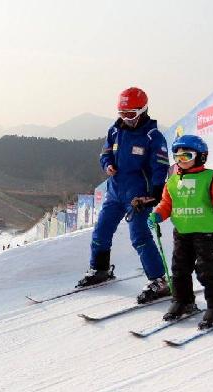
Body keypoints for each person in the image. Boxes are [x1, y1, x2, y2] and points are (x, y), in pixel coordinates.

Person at [78, 87, 171, 304]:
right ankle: (100, 269)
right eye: (123, 114)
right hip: (115, 192)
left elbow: (160, 166)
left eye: (131, 114)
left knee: (139, 237)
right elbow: (105, 152)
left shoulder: (152, 136)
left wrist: (156, 193)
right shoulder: (114, 130)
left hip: (139, 196)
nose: (126, 119)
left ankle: (159, 281)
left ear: (143, 111)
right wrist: (107, 164)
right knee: (101, 232)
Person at [148, 135, 213, 328]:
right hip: (182, 231)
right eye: (178, 157)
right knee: (179, 269)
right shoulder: (172, 181)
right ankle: (183, 301)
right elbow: (166, 204)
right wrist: (157, 215)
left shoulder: (210, 177)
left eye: (186, 156)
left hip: (205, 231)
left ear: (200, 156)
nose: (181, 160)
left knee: (206, 269)